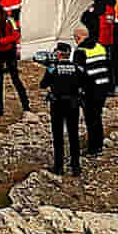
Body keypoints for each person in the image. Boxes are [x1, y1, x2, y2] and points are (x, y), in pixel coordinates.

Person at [41, 42, 83, 177]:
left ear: (59, 53)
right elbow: (84, 83)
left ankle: (59, 166)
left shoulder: (52, 68)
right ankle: (76, 166)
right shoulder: (77, 68)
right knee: (73, 134)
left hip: (57, 104)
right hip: (73, 103)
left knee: (58, 135)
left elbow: (43, 84)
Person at [73, 26, 110, 156]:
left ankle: (94, 148)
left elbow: (79, 74)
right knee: (97, 116)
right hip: (103, 86)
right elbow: (108, 66)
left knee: (90, 118)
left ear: (78, 37)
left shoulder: (80, 51)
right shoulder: (100, 47)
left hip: (90, 90)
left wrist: (78, 90)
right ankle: (99, 144)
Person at [0, 3, 29, 117]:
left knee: (2, 81)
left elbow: (15, 35)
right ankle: (25, 106)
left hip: (1, 51)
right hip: (8, 51)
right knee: (13, 80)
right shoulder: (7, 21)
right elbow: (15, 36)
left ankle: (0, 108)